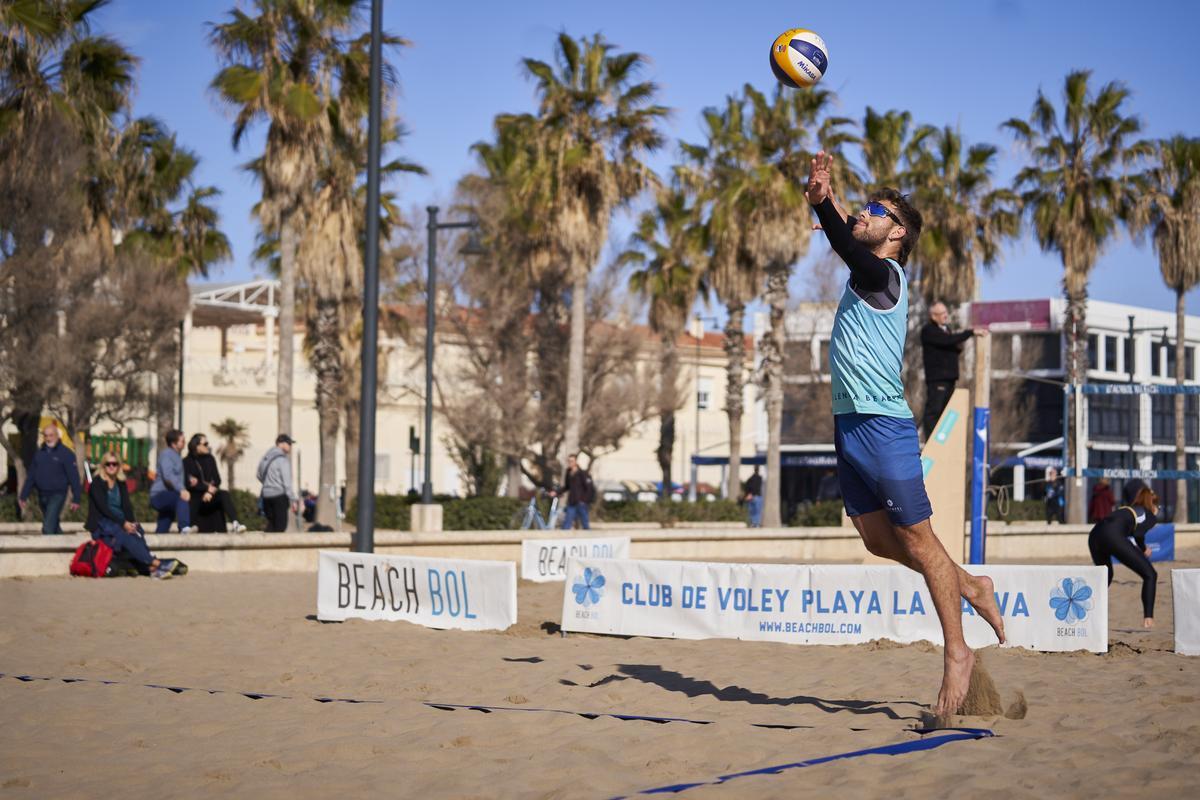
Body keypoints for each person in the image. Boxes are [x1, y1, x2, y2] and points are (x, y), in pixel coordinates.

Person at [806, 150, 1004, 717]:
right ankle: (971, 585)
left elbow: (849, 245)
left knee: (920, 540)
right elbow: (849, 235)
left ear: (896, 234)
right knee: (876, 541)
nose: (865, 213)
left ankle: (957, 652)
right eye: (865, 207)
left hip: (884, 425)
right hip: (849, 423)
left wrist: (826, 207)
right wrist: (830, 200)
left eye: (877, 211)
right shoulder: (866, 262)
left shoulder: (885, 275)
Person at [87, 450, 177, 579]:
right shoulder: (97, 483)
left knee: (137, 531)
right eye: (108, 464)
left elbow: (126, 507)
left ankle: (150, 568)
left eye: (114, 464)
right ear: (103, 466)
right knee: (123, 535)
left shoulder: (120, 483)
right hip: (103, 525)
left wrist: (131, 523)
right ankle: (156, 563)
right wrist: (123, 523)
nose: (111, 466)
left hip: (119, 522)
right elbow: (103, 509)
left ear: (119, 466)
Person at [1088, 487, 1160, 628]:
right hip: (1112, 535)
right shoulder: (1149, 514)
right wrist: (1144, 547)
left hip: (1094, 535)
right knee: (1150, 574)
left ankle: (1086, 608)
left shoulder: (1127, 509)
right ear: (1152, 503)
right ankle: (1148, 618)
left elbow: (1137, 533)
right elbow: (1139, 534)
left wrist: (1143, 548)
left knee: (1106, 576)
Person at [920, 302, 975, 439]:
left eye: (946, 312)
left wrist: (957, 347)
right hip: (937, 379)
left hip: (950, 379)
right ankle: (931, 442)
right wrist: (970, 332)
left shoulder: (946, 329)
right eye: (942, 313)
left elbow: (950, 345)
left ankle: (943, 441)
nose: (946, 316)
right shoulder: (928, 330)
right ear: (933, 316)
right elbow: (947, 341)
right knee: (934, 411)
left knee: (947, 413)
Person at [18, 424, 82, 534]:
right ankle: (62, 543)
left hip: (58, 494)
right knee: (54, 525)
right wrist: (23, 495)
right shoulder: (39, 454)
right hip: (42, 494)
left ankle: (46, 543)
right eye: (46, 436)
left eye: (51, 435)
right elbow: (31, 476)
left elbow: (74, 477)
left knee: (47, 527)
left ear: (57, 436)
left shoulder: (66, 454)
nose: (48, 438)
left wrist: (76, 498)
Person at [182, 434, 246, 533]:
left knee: (224, 494)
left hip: (210, 495)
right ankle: (189, 526)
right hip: (196, 497)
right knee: (194, 499)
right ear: (196, 446)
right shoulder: (186, 462)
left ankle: (235, 523)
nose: (208, 446)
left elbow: (217, 479)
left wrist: (210, 492)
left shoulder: (210, 459)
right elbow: (188, 483)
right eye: (205, 444)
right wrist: (205, 488)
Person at [149, 429, 193, 533]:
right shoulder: (167, 454)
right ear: (173, 443)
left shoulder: (176, 456)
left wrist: (189, 479)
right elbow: (168, 476)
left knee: (165, 523)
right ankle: (184, 528)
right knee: (181, 499)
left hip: (169, 495)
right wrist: (181, 490)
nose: (184, 443)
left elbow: (176, 476)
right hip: (159, 495)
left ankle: (158, 539)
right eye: (182, 441)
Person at [257, 434, 299, 533]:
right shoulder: (282, 460)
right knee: (280, 526)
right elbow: (287, 483)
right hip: (279, 496)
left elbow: (258, 475)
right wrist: (293, 499)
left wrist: (268, 484)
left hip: (266, 496)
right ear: (281, 444)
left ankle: (265, 542)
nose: (290, 446)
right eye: (289, 443)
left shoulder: (265, 458)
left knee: (272, 524)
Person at [557, 454, 594, 531]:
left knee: (585, 524)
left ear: (576, 462)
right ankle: (564, 537)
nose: (570, 463)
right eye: (569, 461)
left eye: (572, 461)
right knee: (566, 524)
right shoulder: (568, 472)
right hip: (572, 502)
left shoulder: (582, 473)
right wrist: (557, 492)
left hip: (581, 503)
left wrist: (584, 500)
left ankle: (589, 537)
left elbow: (589, 488)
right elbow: (567, 486)